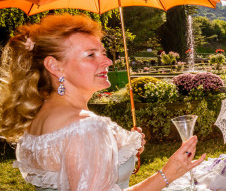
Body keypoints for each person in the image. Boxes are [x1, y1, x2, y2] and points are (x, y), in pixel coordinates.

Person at [0, 14, 205, 190]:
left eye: (103, 53)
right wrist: (168, 174)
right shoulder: (85, 128)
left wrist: (119, 150)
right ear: (55, 66)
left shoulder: (40, 116)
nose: (107, 61)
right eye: (90, 55)